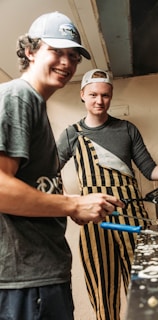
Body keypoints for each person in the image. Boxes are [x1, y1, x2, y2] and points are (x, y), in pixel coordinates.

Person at [57, 69, 158, 320]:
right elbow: (49, 169)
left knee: (144, 286)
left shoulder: (127, 129)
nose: (99, 101)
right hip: (97, 222)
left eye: (105, 95)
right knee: (102, 291)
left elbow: (150, 170)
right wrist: (69, 204)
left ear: (111, 96)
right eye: (93, 94)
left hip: (133, 217)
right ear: (82, 94)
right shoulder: (72, 134)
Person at [0, 15, 124, 320]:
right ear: (30, 51)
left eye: (73, 56)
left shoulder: (37, 106)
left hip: (44, 273)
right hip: (25, 281)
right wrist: (73, 203)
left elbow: (36, 186)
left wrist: (74, 208)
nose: (66, 63)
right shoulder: (18, 97)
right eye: (56, 51)